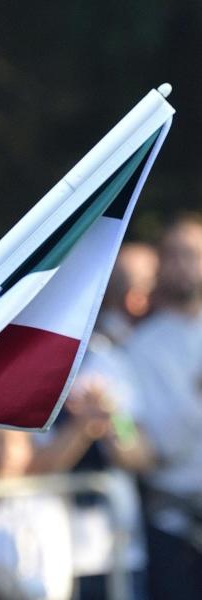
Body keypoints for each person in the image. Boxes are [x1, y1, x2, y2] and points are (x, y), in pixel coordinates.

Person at [123, 215, 202, 600]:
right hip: (171, 522)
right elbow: (134, 438)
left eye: (192, 254)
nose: (182, 264)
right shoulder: (139, 346)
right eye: (173, 254)